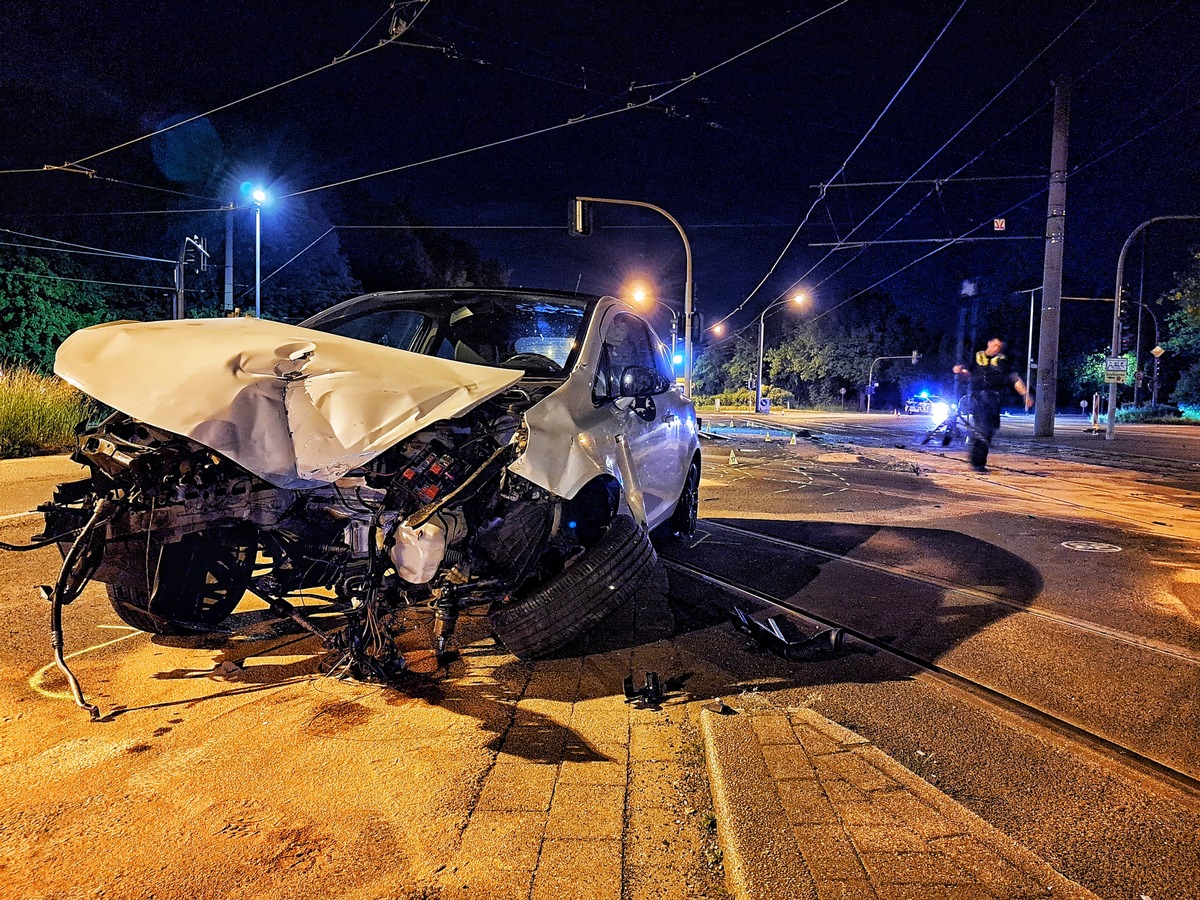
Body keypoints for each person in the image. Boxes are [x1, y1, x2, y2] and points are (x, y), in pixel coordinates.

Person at [952, 336, 1032, 472]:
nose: (997, 349)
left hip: (994, 399)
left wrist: (1025, 395)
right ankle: (978, 461)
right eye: (995, 345)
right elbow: (965, 373)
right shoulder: (976, 357)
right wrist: (959, 371)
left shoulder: (1003, 362)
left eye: (999, 347)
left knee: (991, 430)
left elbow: (1014, 379)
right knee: (983, 429)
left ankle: (977, 455)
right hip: (979, 398)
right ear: (989, 344)